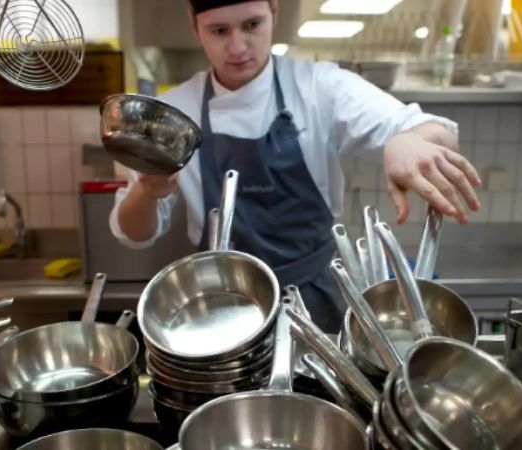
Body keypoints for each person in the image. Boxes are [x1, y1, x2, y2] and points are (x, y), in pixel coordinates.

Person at [110, 0, 481, 332]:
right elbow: (134, 232)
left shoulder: (321, 87)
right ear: (194, 26)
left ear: (274, 11)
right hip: (223, 308)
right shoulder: (175, 111)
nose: (237, 46)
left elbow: (438, 131)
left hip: (317, 300)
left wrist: (409, 139)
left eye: (252, 25)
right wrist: (146, 190)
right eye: (219, 30)